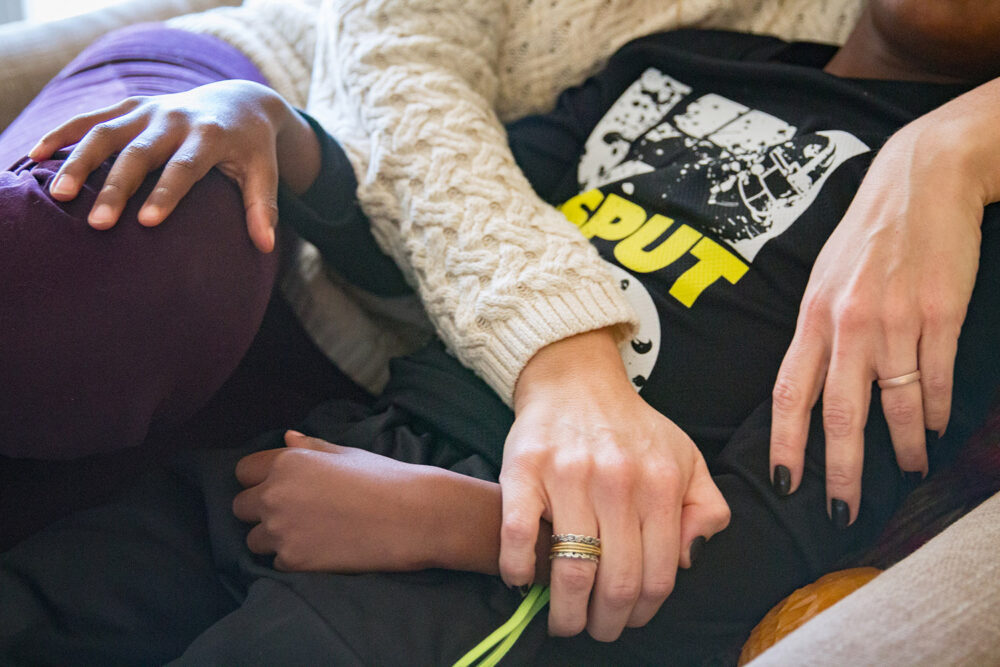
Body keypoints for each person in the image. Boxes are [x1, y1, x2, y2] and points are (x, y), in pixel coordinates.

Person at [4, 1, 1000, 664]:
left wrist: (455, 525)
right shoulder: (678, 57)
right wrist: (275, 127)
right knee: (49, 589)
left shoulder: (965, 241)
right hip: (319, 453)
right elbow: (428, 253)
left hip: (489, 583)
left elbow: (782, 542)